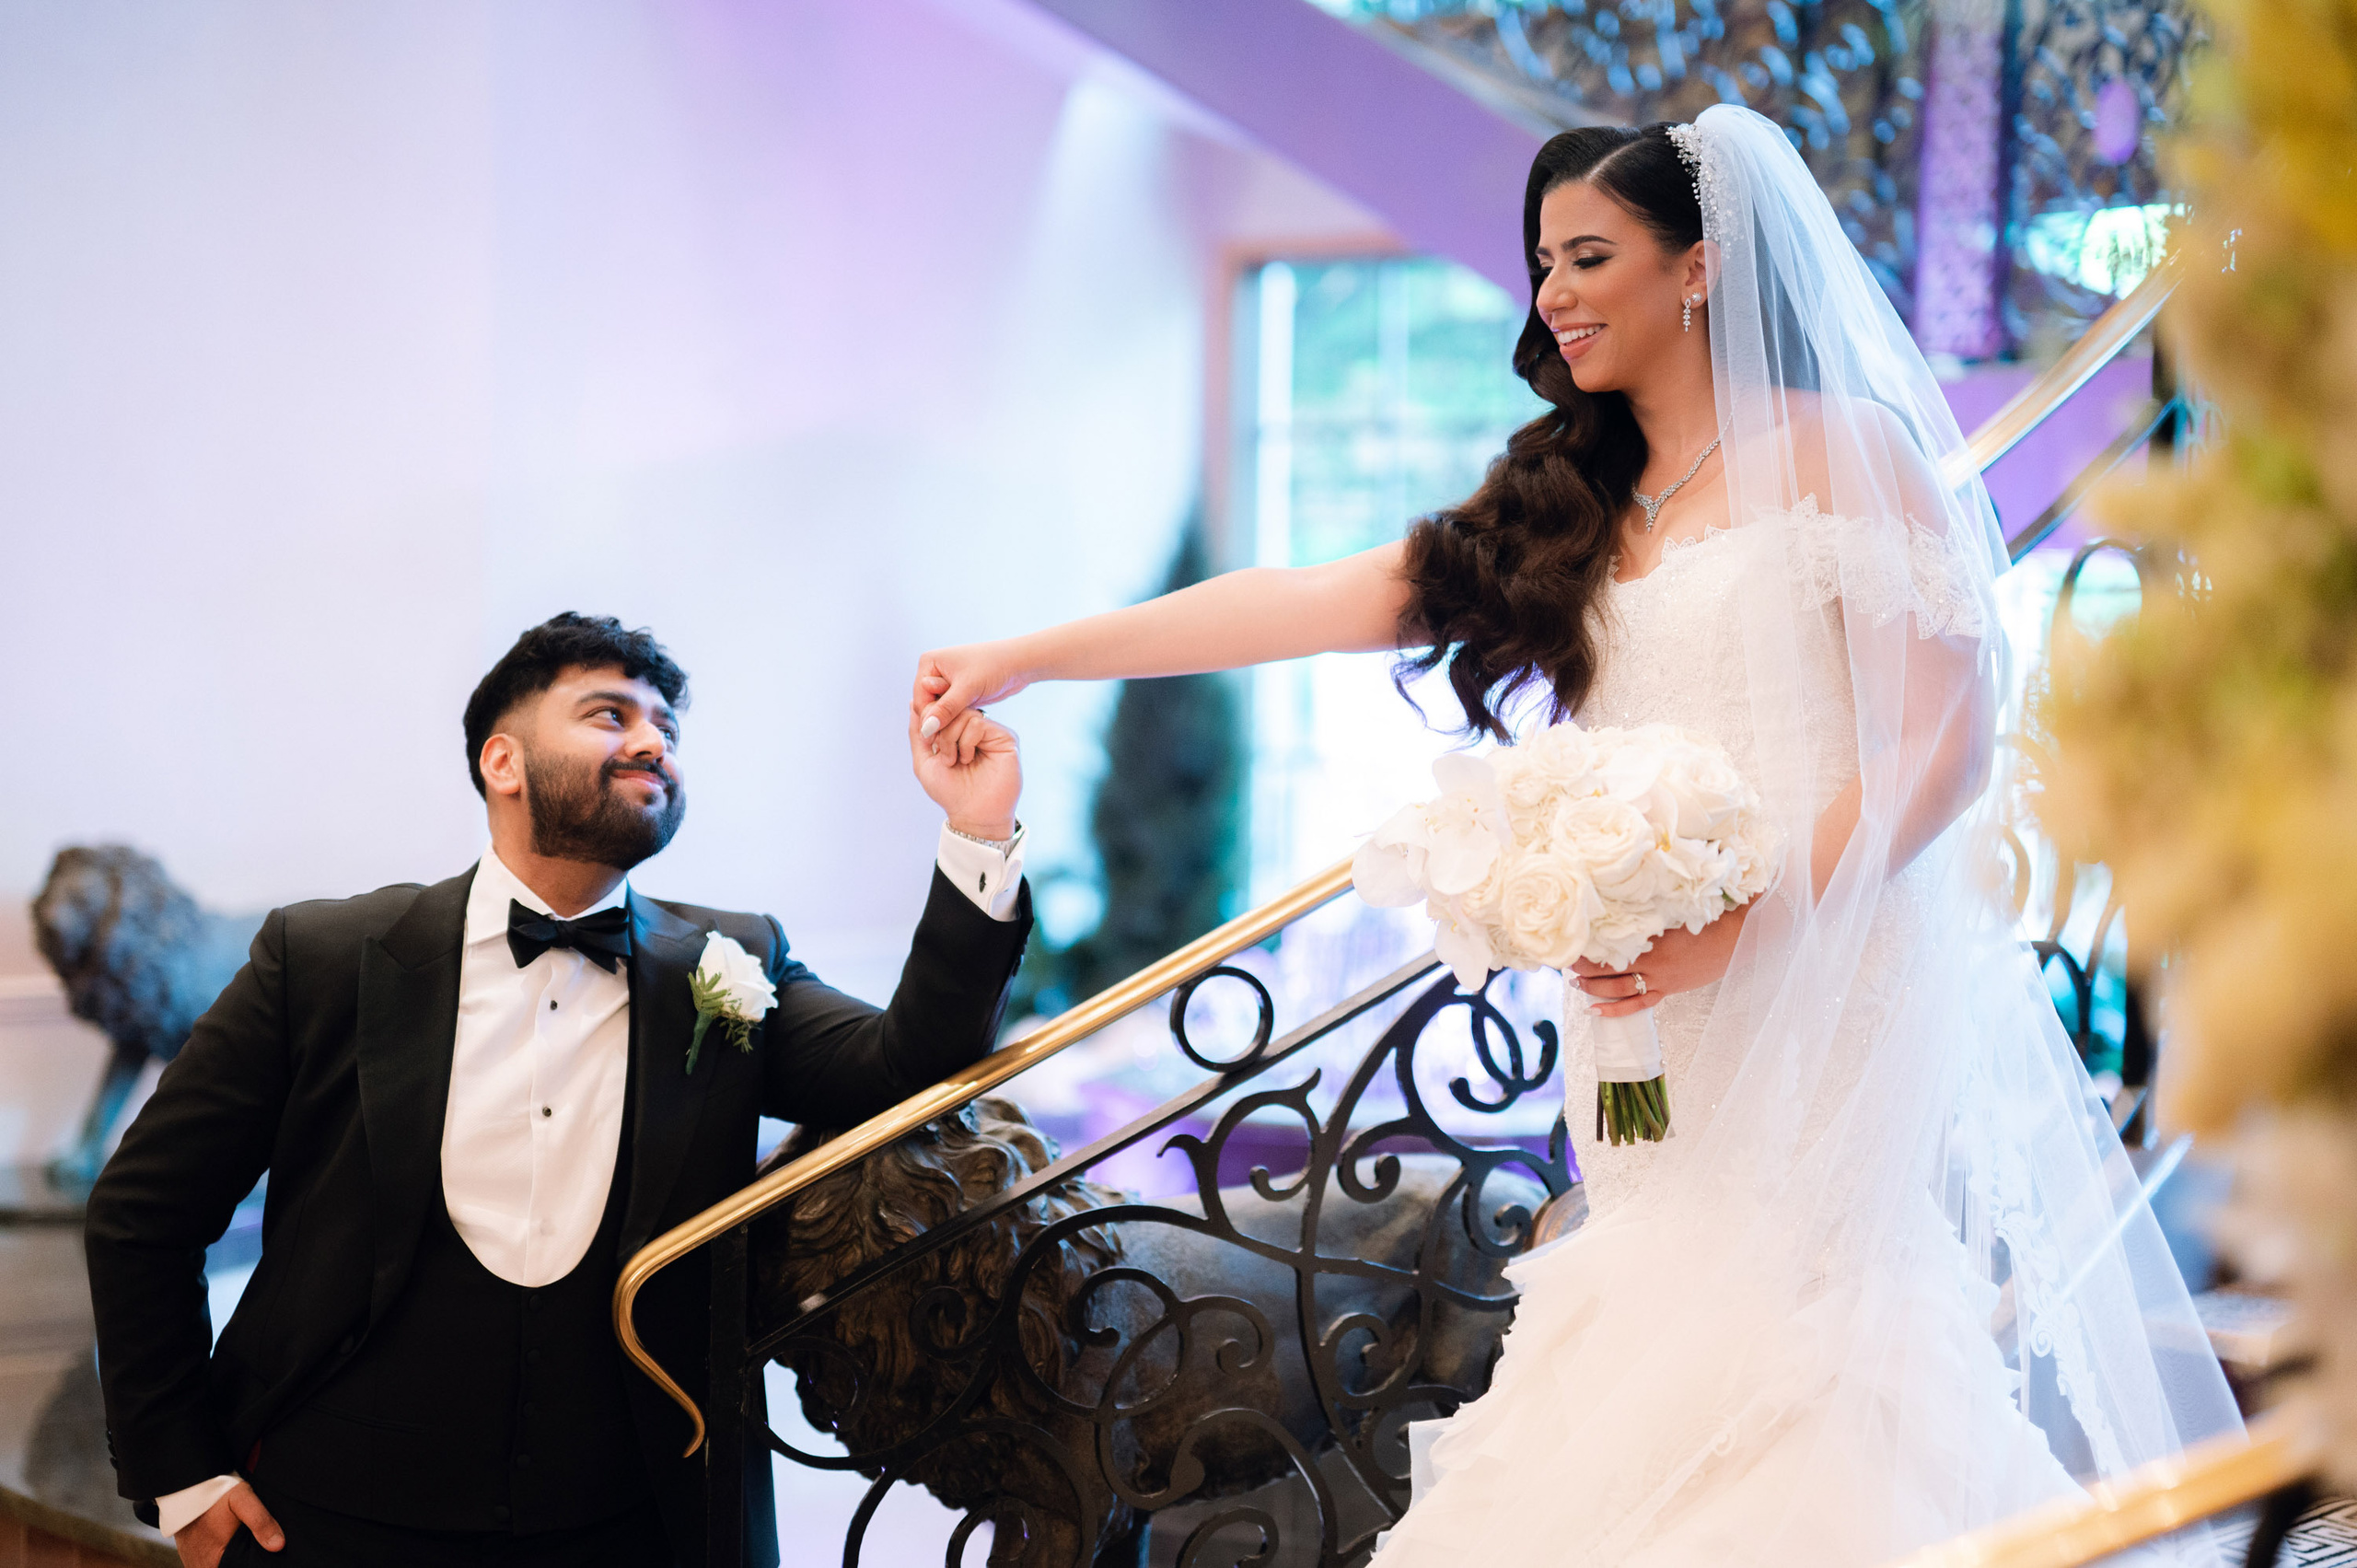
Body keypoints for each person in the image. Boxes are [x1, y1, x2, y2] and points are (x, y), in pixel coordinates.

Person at [912, 109, 2242, 1563]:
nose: (1553, 291)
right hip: (1634, 1006)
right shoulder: (1566, 501)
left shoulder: (1843, 452)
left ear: (1699, 268)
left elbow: (1941, 741)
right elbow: (1306, 594)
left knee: (1800, 1326)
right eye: (1544, 260)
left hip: (1813, 975)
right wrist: (1028, 654)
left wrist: (1747, 921)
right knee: (1636, 1291)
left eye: (1591, 254)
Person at [86, 612, 1034, 1568]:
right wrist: (181, 1471)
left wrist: (977, 827)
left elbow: (909, 1063)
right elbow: (145, 1211)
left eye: (665, 724)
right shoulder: (325, 958)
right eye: (609, 713)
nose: (652, 740)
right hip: (329, 1516)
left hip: (634, 1523)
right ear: (504, 760)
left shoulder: (733, 962)